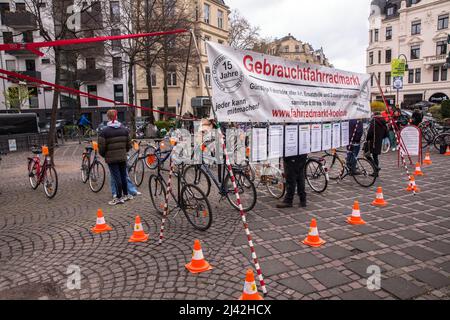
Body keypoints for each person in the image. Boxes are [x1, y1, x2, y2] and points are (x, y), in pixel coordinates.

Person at [98, 110, 132, 206]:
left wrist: (105, 154)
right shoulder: (124, 129)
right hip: (122, 156)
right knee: (123, 176)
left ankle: (118, 197)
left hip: (111, 158)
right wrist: (124, 152)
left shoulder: (104, 131)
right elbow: (129, 144)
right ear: (116, 117)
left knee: (116, 177)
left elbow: (101, 147)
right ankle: (126, 194)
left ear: (108, 117)